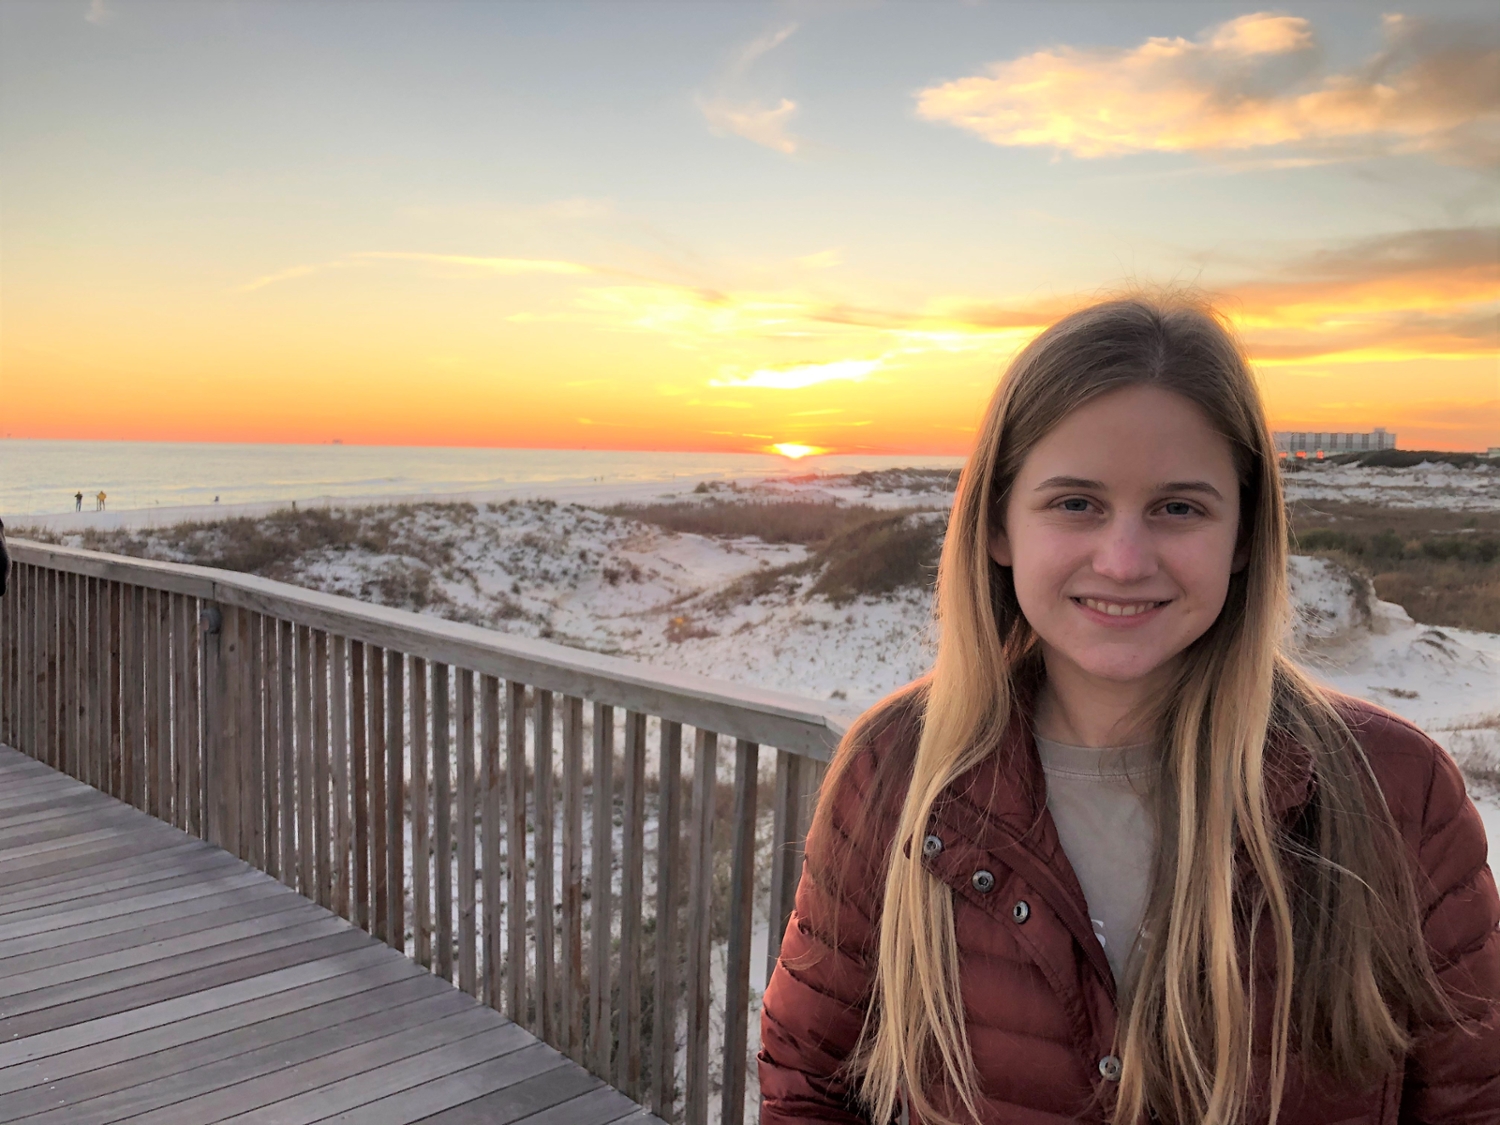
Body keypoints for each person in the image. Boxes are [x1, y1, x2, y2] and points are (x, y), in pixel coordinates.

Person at [758, 295, 1498, 1125]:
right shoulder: (896, 769)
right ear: (1000, 523)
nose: (1123, 560)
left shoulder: (1395, 793)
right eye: (1076, 502)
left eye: (1178, 507)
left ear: (1245, 534)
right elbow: (807, 1083)